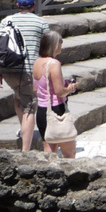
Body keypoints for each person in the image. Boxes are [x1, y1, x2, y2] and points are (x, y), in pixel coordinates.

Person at [0, 0, 49, 151]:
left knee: (18, 99)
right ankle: (25, 150)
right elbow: (47, 49)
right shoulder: (41, 23)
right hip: (29, 70)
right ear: (33, 5)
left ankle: (24, 128)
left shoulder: (6, 21)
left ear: (17, 5)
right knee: (30, 106)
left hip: (8, 68)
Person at [31, 29, 79, 158]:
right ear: (55, 45)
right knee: (69, 153)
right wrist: (70, 87)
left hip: (42, 111)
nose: (61, 45)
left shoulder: (37, 62)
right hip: (56, 109)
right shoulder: (54, 64)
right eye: (60, 42)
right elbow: (59, 92)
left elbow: (35, 89)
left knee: (49, 152)